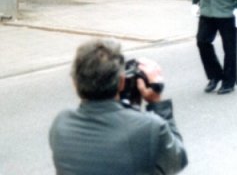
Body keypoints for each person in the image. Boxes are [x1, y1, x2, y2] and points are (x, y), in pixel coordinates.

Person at [49, 39, 188, 175]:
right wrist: (156, 103)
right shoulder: (149, 126)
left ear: (74, 83)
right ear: (121, 82)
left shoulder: (61, 123)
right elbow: (178, 160)